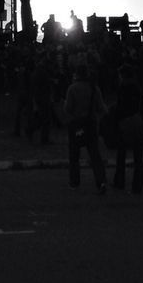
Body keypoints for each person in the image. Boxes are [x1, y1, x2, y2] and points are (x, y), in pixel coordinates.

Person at [64, 65, 108, 194]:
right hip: (91, 125)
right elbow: (101, 108)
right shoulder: (94, 89)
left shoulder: (72, 89)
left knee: (74, 155)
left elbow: (68, 109)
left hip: (76, 125)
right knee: (95, 155)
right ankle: (101, 181)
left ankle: (74, 182)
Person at [112, 65, 143, 193]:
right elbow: (142, 107)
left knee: (121, 154)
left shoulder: (123, 88)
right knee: (138, 157)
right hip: (136, 121)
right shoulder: (137, 87)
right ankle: (137, 185)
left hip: (125, 122)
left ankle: (119, 181)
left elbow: (121, 107)